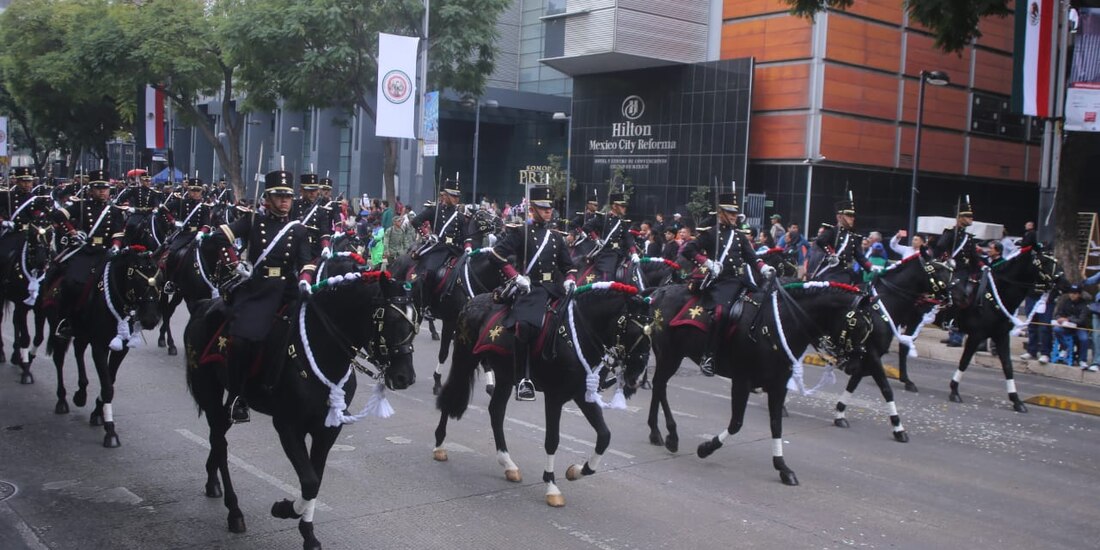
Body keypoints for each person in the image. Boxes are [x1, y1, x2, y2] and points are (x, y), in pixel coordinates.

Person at [201, 170, 317, 423]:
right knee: (243, 339)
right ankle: (237, 395)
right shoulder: (253, 220)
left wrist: (306, 281)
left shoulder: (297, 229)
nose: (285, 201)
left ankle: (325, 393)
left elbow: (306, 263)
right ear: (267, 198)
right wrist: (235, 262)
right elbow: (219, 238)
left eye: (288, 196)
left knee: (318, 330)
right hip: (257, 289)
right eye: (279, 196)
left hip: (287, 288)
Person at [485, 185, 576, 400]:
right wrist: (515, 276)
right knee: (525, 326)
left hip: (553, 288)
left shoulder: (556, 237)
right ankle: (523, 378)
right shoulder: (520, 232)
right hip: (530, 287)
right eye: (543, 208)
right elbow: (496, 255)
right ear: (532, 209)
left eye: (549, 208)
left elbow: (568, 266)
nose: (548, 212)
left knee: (574, 319)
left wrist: (571, 280)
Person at [681, 191, 774, 376]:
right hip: (720, 282)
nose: (733, 216)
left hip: (740, 281)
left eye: (735, 213)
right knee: (720, 313)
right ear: (720, 212)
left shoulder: (739, 236)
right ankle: (708, 355)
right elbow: (688, 249)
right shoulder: (710, 234)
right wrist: (707, 262)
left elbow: (752, 257)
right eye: (729, 212)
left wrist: (764, 268)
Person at [44, 170, 127, 338]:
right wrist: (73, 231)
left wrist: (116, 247)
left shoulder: (115, 211)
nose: (102, 191)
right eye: (98, 188)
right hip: (84, 250)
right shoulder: (81, 205)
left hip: (105, 252)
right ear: (90, 190)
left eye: (105, 188)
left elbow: (118, 233)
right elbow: (58, 215)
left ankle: (126, 322)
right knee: (70, 281)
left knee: (125, 283)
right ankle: (66, 320)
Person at [811, 195, 880, 284]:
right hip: (832, 272)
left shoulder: (852, 237)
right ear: (839, 217)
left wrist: (872, 268)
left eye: (853, 216)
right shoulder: (832, 231)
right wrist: (831, 254)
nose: (852, 218)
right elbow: (821, 241)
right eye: (849, 215)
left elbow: (860, 257)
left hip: (847, 273)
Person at [932, 195, 986, 309]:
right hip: (952, 270)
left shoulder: (968, 237)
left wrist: (983, 267)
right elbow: (940, 247)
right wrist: (946, 257)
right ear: (959, 218)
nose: (971, 219)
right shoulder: (951, 232)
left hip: (966, 271)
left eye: (971, 216)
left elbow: (974, 257)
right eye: (968, 216)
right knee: (958, 295)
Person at [581, 189, 638, 281]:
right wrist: (596, 239)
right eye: (622, 206)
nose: (624, 208)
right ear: (614, 206)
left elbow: (628, 238)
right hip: (607, 252)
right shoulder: (603, 218)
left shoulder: (622, 222)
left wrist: (634, 253)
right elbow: (587, 226)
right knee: (608, 273)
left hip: (620, 252)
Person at [291, 173, 333, 259]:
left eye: (314, 190)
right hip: (295, 247)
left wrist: (325, 246)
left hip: (313, 250)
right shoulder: (293, 206)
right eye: (309, 190)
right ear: (301, 191)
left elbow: (324, 232)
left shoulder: (320, 210)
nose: (312, 193)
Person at [1052, 285, 1093, 367]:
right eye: (1071, 293)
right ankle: (1065, 347)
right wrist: (1059, 318)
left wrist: (1068, 319)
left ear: (1079, 294)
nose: (1072, 295)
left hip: (1079, 327)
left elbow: (1082, 320)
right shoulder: (1065, 302)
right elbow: (1058, 314)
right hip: (1066, 326)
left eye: (1075, 293)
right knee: (1056, 329)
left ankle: (1082, 360)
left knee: (1084, 339)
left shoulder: (1084, 305)